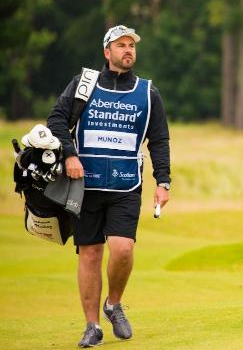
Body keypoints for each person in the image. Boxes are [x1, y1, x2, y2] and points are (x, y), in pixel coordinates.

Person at [47, 24, 171, 347]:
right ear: (107, 52)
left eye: (131, 45)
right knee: (89, 254)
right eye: (121, 45)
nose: (128, 50)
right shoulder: (83, 84)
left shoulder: (148, 93)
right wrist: (70, 155)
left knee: (123, 249)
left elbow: (158, 140)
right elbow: (56, 120)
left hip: (127, 186)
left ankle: (113, 304)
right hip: (85, 186)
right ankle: (92, 327)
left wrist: (164, 181)